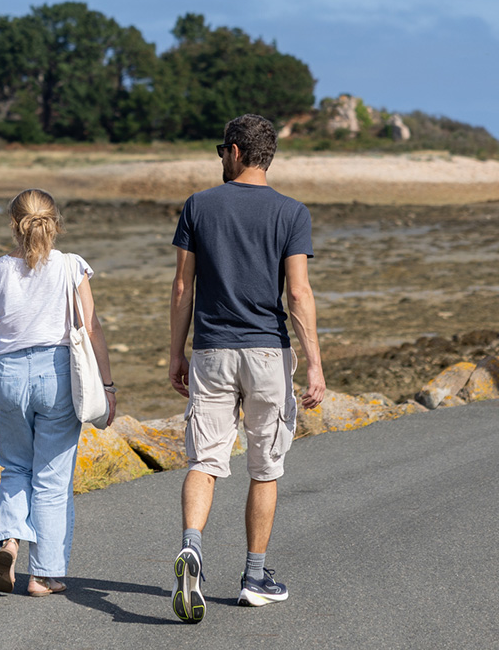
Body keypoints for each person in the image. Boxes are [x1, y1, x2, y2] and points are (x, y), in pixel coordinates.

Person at [168, 114, 326, 623]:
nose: (221, 158)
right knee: (265, 467)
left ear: (235, 151)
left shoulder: (198, 206)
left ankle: (192, 547)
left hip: (212, 351)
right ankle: (254, 577)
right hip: (266, 354)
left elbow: (182, 288)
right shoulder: (292, 212)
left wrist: (176, 352)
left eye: (222, 150)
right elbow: (298, 294)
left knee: (204, 461)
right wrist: (315, 365)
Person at [0, 188, 117, 597]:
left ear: (13, 224)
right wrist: (107, 385)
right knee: (52, 478)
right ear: (55, 223)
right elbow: (92, 328)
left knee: (16, 467)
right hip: (57, 375)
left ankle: (10, 540)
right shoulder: (72, 266)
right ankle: (43, 576)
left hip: (9, 377)